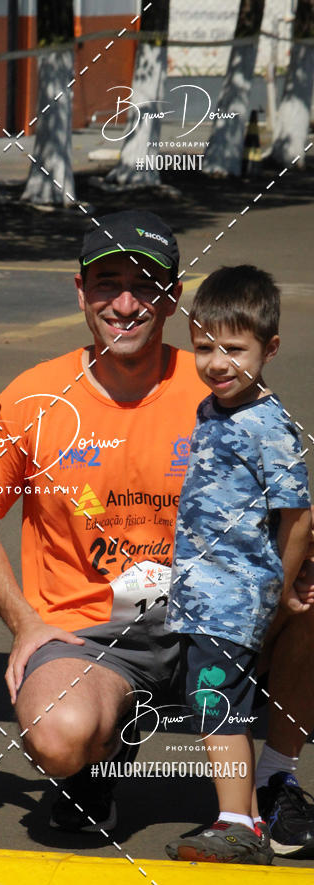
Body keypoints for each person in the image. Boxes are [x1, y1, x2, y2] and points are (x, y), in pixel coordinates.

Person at [0, 209, 314, 855]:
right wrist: (24, 622)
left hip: (215, 616)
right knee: (58, 731)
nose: (125, 301)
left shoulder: (215, 384)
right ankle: (98, 758)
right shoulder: (33, 398)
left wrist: (293, 581)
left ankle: (275, 780)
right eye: (106, 282)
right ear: (80, 292)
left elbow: (287, 503)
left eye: (146, 284)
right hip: (97, 635)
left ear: (174, 297)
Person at [163, 266, 311, 864]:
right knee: (215, 700)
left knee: (218, 699)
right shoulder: (212, 410)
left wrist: (277, 587)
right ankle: (245, 813)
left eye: (234, 349)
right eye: (204, 347)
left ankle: (238, 823)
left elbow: (297, 517)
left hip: (236, 595)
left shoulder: (268, 426)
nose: (217, 362)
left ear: (269, 349)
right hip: (205, 593)